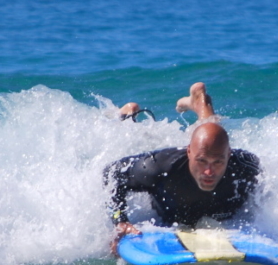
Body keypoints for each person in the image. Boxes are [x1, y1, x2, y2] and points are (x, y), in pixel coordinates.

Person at [103, 82, 261, 255]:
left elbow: (269, 189)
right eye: (201, 162)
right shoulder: (159, 167)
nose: (209, 172)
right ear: (188, 152)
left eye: (218, 162)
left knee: (212, 140)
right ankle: (126, 116)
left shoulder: (245, 167)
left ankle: (200, 102)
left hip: (207, 152)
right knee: (142, 140)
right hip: (168, 176)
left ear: (228, 155)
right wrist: (120, 220)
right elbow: (111, 173)